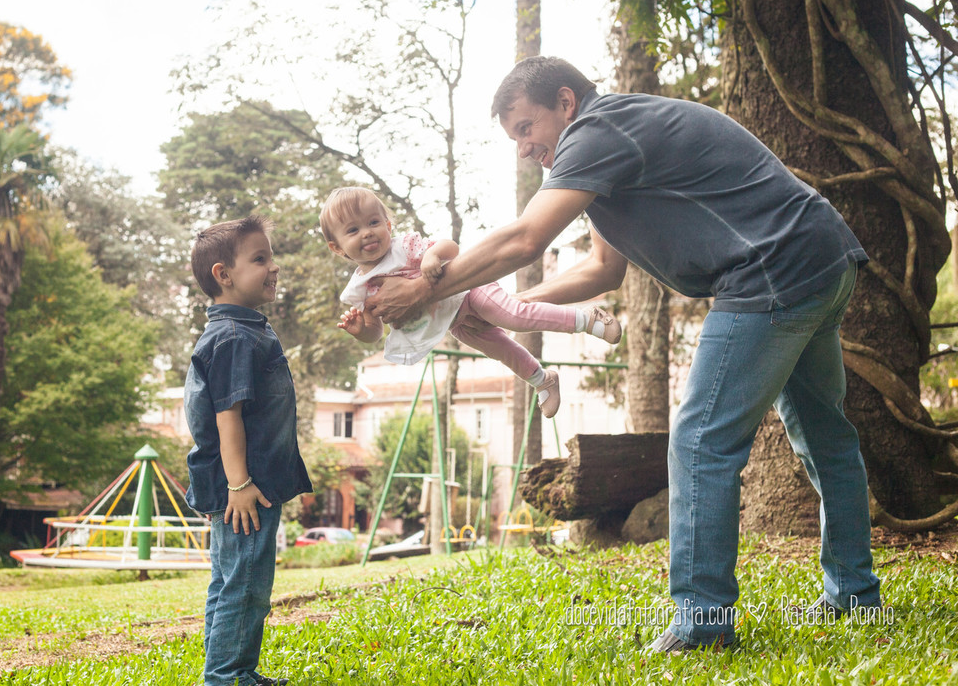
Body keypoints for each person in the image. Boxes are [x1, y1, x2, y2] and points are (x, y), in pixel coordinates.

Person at [364, 56, 881, 651]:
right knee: (824, 435)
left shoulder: (596, 131)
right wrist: (507, 307)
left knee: (700, 440)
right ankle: (853, 596)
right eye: (514, 139)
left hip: (771, 269)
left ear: (565, 102)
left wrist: (429, 286)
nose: (525, 148)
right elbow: (602, 270)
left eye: (527, 129)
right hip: (821, 260)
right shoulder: (603, 151)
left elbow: (525, 237)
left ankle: (702, 623)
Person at [320, 185, 620, 418]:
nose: (367, 233)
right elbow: (375, 331)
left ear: (387, 224)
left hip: (469, 291)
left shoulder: (404, 247)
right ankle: (542, 380)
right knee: (500, 350)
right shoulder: (359, 288)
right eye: (353, 230)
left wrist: (432, 256)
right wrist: (361, 330)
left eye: (373, 222)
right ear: (336, 247)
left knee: (514, 316)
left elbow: (450, 247)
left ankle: (588, 319)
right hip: (454, 322)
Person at [185, 215, 312, 686]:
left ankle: (229, 670)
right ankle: (227, 676)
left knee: (229, 580)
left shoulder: (241, 330)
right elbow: (227, 415)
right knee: (247, 585)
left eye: (271, 256)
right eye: (260, 258)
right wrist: (239, 484)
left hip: (245, 484)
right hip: (246, 489)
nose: (273, 267)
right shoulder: (235, 337)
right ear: (224, 274)